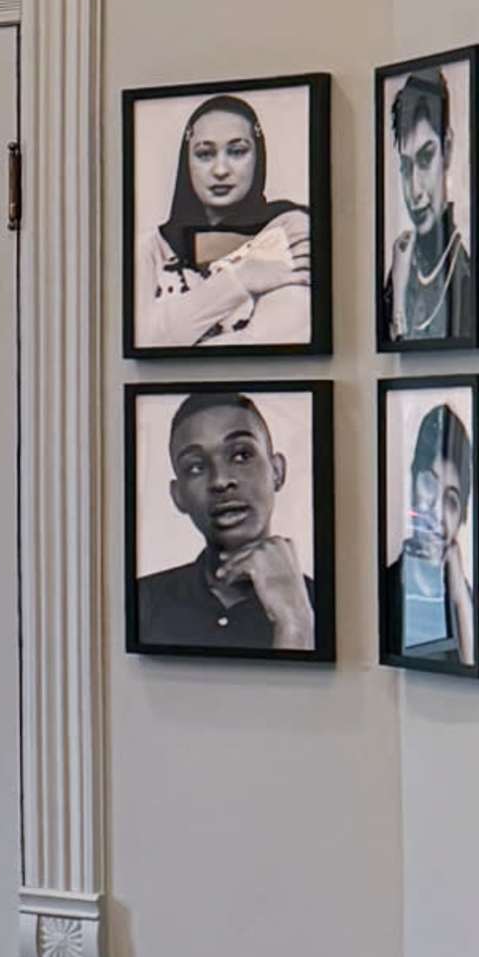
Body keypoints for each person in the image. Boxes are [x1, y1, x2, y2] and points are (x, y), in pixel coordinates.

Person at [136, 386, 317, 651]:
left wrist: (295, 624)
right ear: (178, 496)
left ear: (277, 471)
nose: (220, 481)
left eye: (241, 455)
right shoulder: (140, 601)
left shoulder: (328, 604)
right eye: (196, 467)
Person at [139, 92, 314, 349]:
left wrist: (175, 328)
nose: (221, 170)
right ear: (186, 161)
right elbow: (143, 342)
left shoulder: (289, 230)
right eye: (205, 154)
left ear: (258, 157)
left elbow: (272, 341)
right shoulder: (150, 247)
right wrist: (239, 279)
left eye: (237, 151)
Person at [381, 66, 476, 349]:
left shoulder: (465, 272)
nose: (415, 190)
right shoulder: (399, 270)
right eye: (406, 167)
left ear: (447, 149)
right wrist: (398, 289)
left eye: (425, 159)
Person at [395, 398, 477, 666]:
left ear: (462, 515)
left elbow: (476, 670)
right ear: (413, 482)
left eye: (451, 501)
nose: (435, 510)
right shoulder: (386, 584)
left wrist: (460, 599)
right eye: (428, 484)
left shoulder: (469, 599)